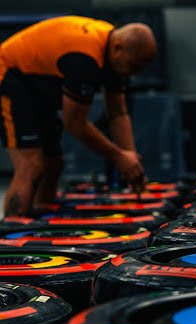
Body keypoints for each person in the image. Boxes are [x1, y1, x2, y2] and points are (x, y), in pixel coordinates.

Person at [0, 15, 157, 216]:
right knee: (31, 166)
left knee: (53, 162)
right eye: (133, 67)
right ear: (118, 48)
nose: (133, 74)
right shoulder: (85, 58)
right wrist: (118, 157)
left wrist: (132, 164)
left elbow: (118, 114)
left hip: (35, 85)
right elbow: (74, 124)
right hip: (8, 75)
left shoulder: (115, 51)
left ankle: (42, 222)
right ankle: (12, 238)